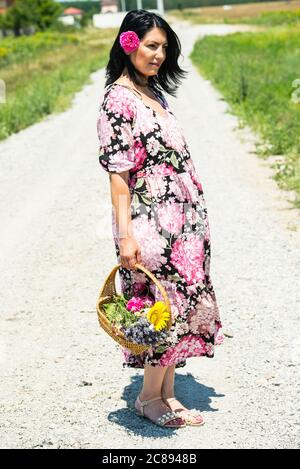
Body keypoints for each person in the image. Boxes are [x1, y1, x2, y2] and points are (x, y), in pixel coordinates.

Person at [96, 9, 224, 429]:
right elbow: (119, 175)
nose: (158, 54)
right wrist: (126, 235)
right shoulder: (118, 98)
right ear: (128, 43)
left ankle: (167, 393)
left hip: (184, 221)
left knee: (180, 304)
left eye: (164, 47)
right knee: (159, 307)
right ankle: (147, 398)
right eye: (151, 45)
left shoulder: (155, 94)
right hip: (152, 222)